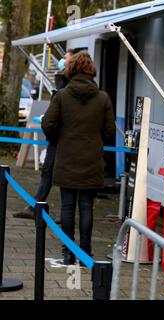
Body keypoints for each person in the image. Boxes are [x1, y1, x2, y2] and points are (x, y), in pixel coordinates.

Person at [42, 51, 115, 265]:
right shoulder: (102, 98)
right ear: (91, 70)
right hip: (92, 159)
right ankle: (85, 252)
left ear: (71, 70)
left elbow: (47, 124)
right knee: (86, 207)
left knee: (66, 207)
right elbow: (110, 130)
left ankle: (67, 252)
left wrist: (59, 138)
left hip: (66, 158)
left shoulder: (62, 96)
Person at [13, 49, 75, 222]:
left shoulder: (67, 85)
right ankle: (37, 205)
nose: (62, 61)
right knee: (49, 172)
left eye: (66, 59)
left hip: (61, 138)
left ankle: (53, 210)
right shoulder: (66, 83)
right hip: (61, 138)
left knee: (56, 174)